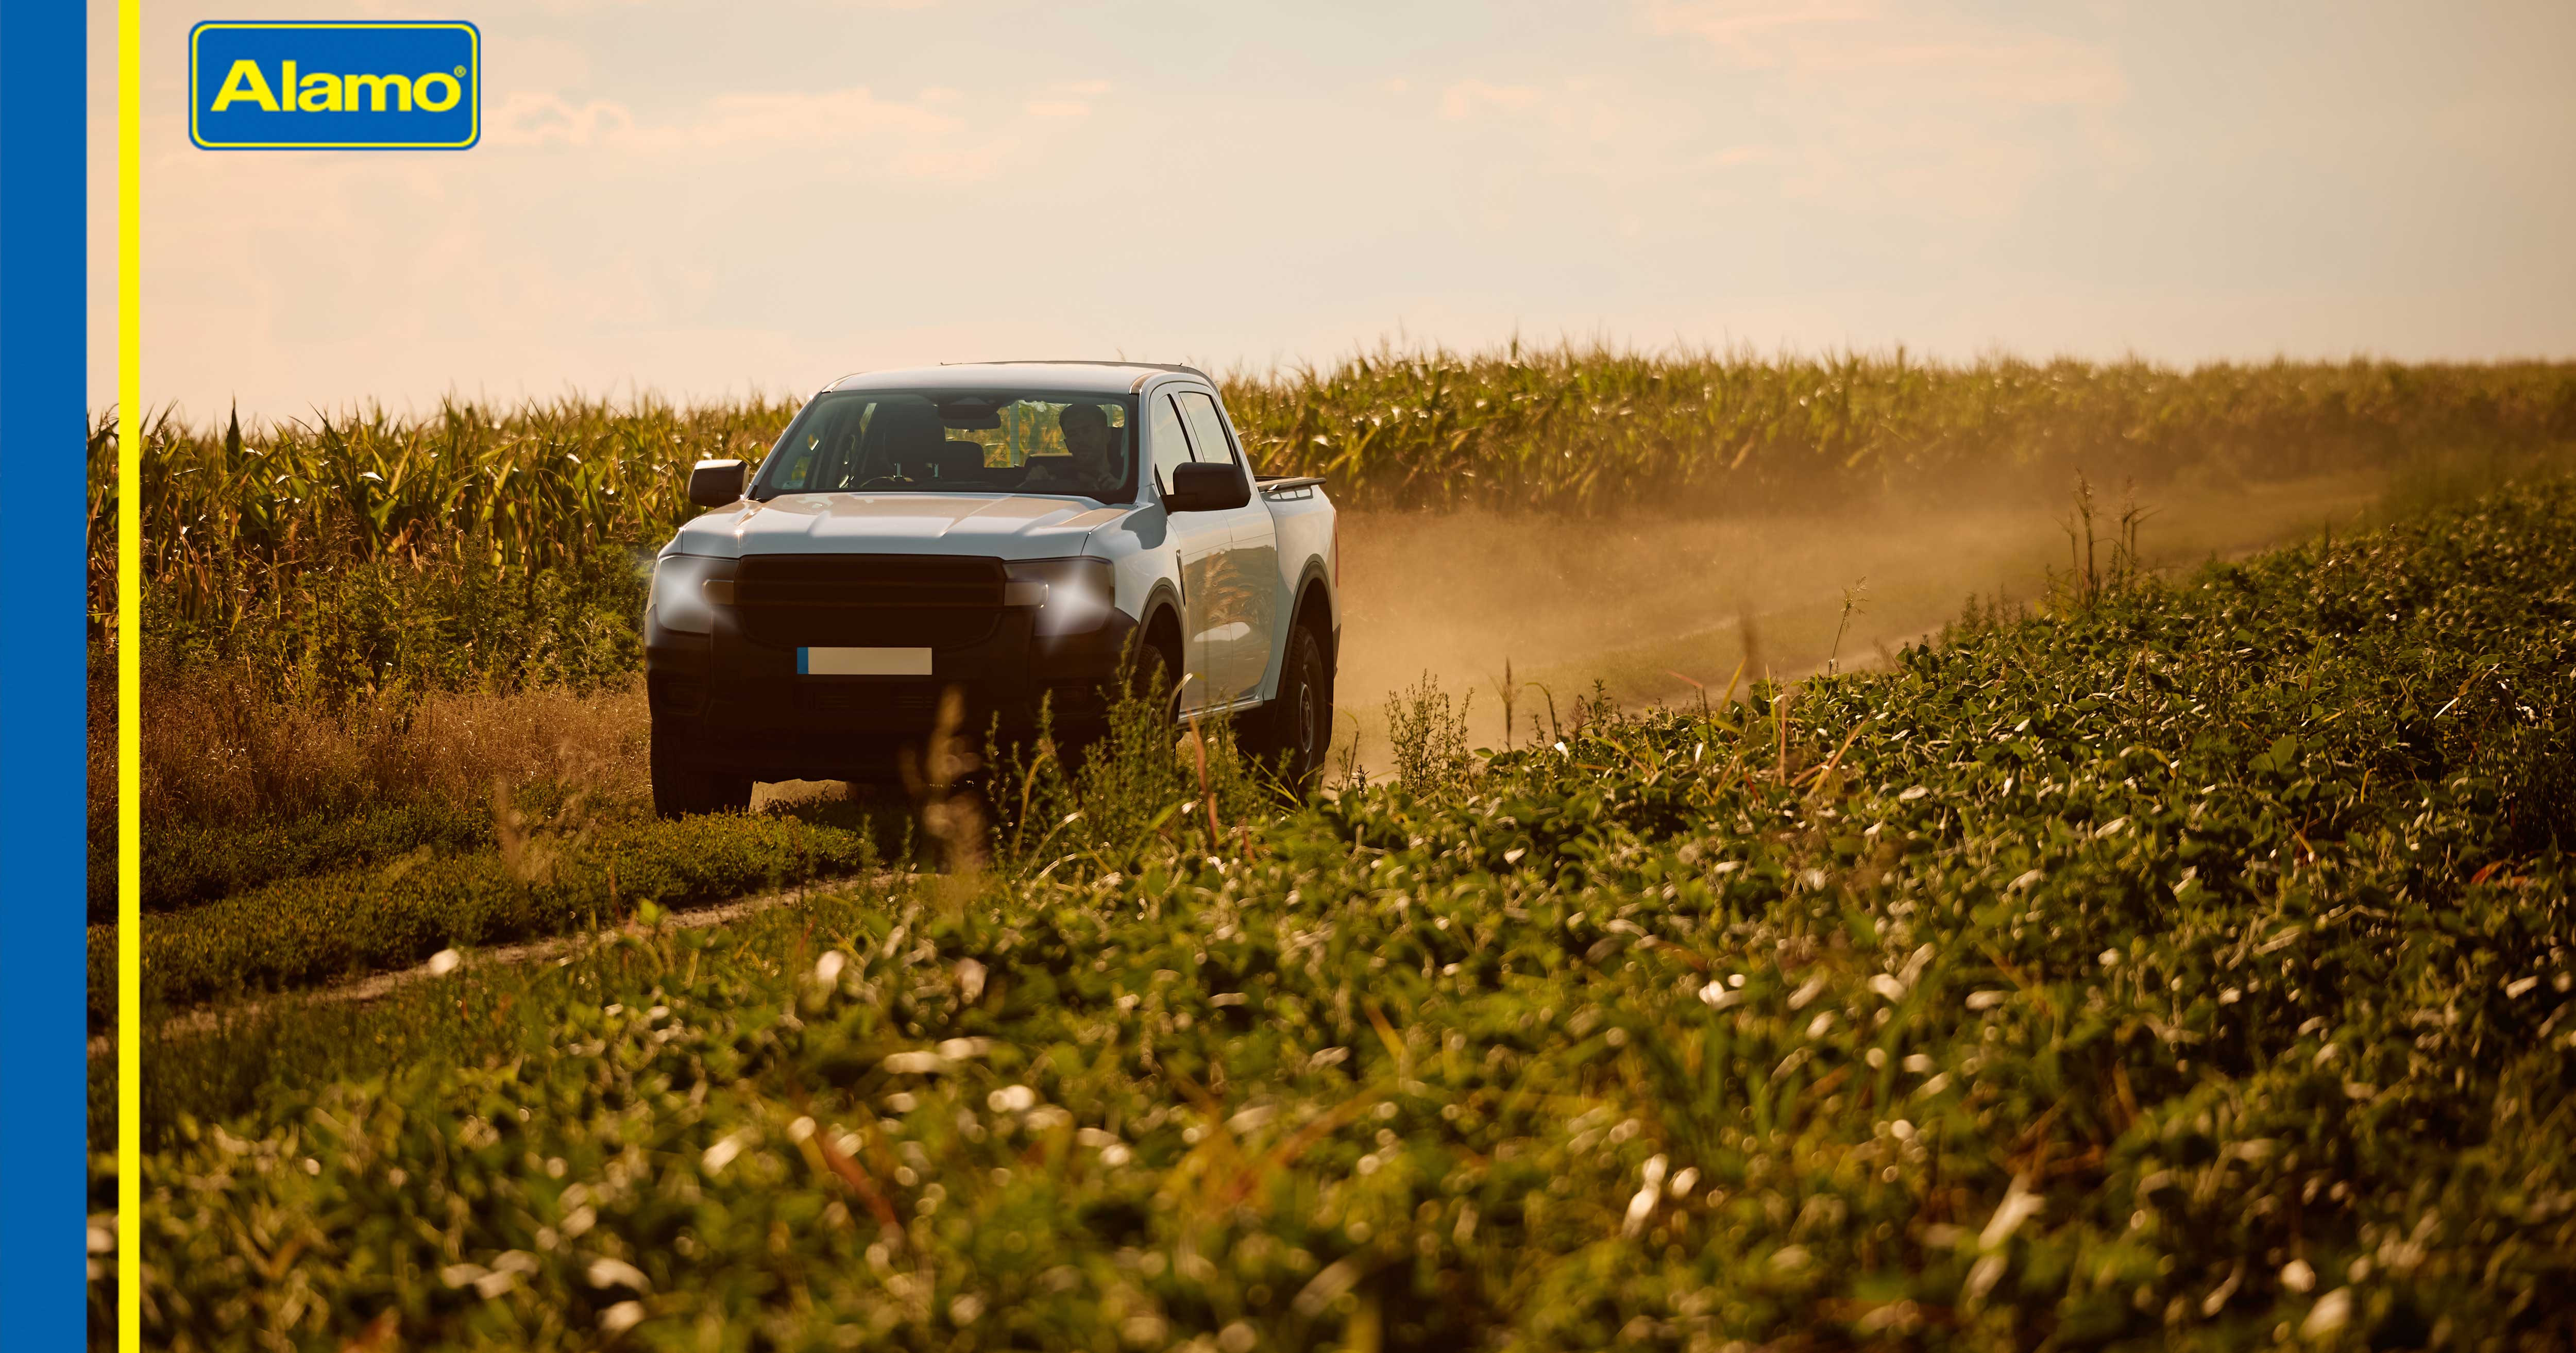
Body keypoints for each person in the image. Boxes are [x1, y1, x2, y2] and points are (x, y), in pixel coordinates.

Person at [1019, 402, 1117, 496]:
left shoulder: (1128, 478)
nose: (1081, 440)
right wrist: (1038, 485)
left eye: (1087, 431)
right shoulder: (1056, 478)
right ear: (1067, 444)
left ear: (1107, 434)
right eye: (1073, 434)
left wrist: (1118, 489)